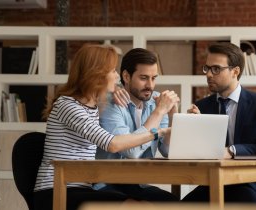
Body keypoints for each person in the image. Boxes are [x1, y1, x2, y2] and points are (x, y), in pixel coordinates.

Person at [33, 44, 171, 210]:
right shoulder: (68, 105)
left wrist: (114, 90)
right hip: (56, 190)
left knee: (144, 205)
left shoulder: (91, 105)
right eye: (113, 71)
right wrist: (157, 132)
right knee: (136, 207)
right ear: (96, 74)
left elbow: (99, 96)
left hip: (82, 188)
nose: (117, 77)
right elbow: (112, 144)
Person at [183, 42, 256, 204]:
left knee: (242, 200)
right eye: (207, 68)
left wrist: (232, 151)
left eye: (216, 69)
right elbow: (199, 153)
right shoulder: (202, 106)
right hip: (215, 183)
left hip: (253, 184)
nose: (208, 74)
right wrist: (193, 127)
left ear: (235, 71)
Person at [94, 48, 179, 201]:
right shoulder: (109, 103)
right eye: (144, 78)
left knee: (172, 202)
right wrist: (159, 112)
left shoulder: (156, 102)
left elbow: (167, 151)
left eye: (154, 78)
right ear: (126, 76)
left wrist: (174, 116)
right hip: (107, 183)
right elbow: (131, 152)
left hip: (137, 184)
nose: (150, 85)